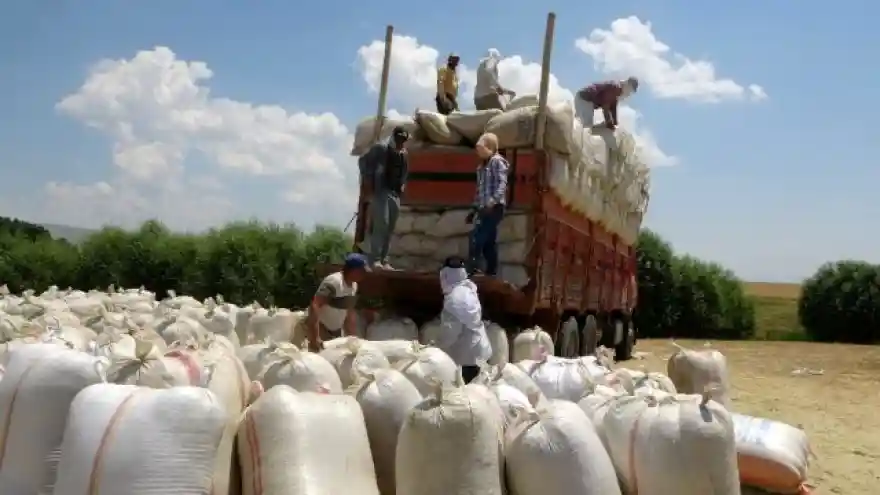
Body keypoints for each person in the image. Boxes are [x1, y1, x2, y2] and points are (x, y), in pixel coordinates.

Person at [433, 256, 492, 384]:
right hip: (479, 353)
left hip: (467, 361)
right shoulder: (468, 290)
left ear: (446, 276)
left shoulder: (454, 299)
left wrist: (435, 348)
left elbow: (450, 332)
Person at [358, 126, 409, 269]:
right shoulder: (380, 148)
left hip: (394, 192)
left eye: (403, 141)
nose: (400, 144)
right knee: (382, 224)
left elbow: (405, 171)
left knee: (390, 227)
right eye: (398, 140)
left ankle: (384, 260)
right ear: (393, 137)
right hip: (381, 190)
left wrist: (403, 184)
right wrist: (369, 180)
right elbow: (363, 161)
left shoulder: (403, 153)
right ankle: (373, 260)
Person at [304, 253, 369, 352]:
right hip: (322, 329)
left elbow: (349, 314)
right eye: (362, 271)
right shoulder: (334, 282)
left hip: (336, 332)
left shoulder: (354, 286)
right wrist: (315, 337)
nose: (364, 275)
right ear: (353, 271)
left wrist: (353, 338)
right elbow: (315, 305)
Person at [466, 132, 509, 276]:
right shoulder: (480, 168)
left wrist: (492, 202)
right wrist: (473, 209)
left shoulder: (497, 162)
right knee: (489, 243)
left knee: (477, 238)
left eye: (482, 149)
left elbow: (502, 185)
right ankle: (491, 272)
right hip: (484, 208)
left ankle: (474, 269)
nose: (479, 153)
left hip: (495, 208)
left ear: (490, 148)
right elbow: (479, 191)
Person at [575, 77, 639, 130]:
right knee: (587, 127)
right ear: (627, 84)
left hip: (585, 100)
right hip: (584, 98)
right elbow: (605, 107)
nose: (630, 93)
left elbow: (613, 110)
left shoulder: (617, 95)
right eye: (631, 90)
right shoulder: (615, 87)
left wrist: (615, 124)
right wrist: (609, 123)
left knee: (580, 124)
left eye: (632, 91)